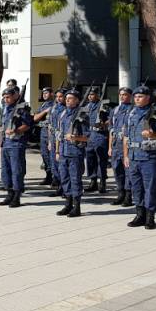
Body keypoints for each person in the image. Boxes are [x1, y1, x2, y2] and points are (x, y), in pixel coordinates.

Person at [124, 86, 156, 230]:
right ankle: (139, 214)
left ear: (148, 98)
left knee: (150, 187)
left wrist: (152, 134)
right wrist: (126, 155)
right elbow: (126, 137)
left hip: (149, 157)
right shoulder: (131, 113)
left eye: (140, 96)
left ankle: (150, 217)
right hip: (133, 156)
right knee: (136, 187)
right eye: (135, 96)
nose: (137, 99)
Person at [56, 88, 89, 217]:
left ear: (77, 101)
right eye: (67, 98)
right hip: (63, 152)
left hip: (75, 152)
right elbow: (59, 134)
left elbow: (87, 137)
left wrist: (75, 137)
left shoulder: (82, 116)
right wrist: (57, 151)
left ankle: (77, 206)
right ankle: (68, 204)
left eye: (71, 99)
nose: (67, 100)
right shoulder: (63, 114)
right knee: (64, 178)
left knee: (75, 179)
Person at [0, 87, 31, 208]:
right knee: (6, 170)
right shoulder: (5, 109)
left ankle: (17, 196)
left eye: (8, 97)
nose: (5, 100)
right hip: (6, 143)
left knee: (17, 170)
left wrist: (15, 130)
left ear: (15, 96)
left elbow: (27, 125)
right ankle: (9, 193)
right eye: (4, 97)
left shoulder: (22, 109)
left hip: (16, 143)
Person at [109, 87, 133, 207]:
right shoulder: (115, 110)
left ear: (130, 96)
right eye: (121, 94)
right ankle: (120, 193)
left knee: (128, 171)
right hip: (116, 145)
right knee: (117, 170)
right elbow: (111, 130)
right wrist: (110, 147)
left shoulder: (133, 110)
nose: (122, 97)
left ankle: (128, 196)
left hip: (127, 145)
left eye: (125, 94)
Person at [84, 86, 109, 194]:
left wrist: (103, 124)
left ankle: (102, 182)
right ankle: (93, 181)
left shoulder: (103, 106)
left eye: (92, 94)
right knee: (90, 159)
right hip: (89, 135)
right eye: (89, 95)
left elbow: (110, 119)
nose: (90, 96)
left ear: (98, 95)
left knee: (101, 160)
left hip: (100, 135)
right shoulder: (87, 106)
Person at [33, 87, 55, 185]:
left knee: (52, 155)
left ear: (52, 94)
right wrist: (45, 111)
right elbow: (35, 118)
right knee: (44, 155)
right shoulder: (43, 105)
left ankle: (55, 177)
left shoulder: (55, 105)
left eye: (46, 93)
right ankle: (48, 176)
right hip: (43, 132)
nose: (44, 95)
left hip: (51, 132)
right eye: (43, 93)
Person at [48, 88, 67, 195]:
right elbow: (50, 125)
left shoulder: (67, 109)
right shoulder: (53, 108)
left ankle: (65, 188)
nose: (59, 99)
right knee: (54, 164)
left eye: (61, 96)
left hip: (62, 139)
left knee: (62, 165)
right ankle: (59, 185)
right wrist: (50, 141)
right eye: (57, 97)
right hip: (53, 138)